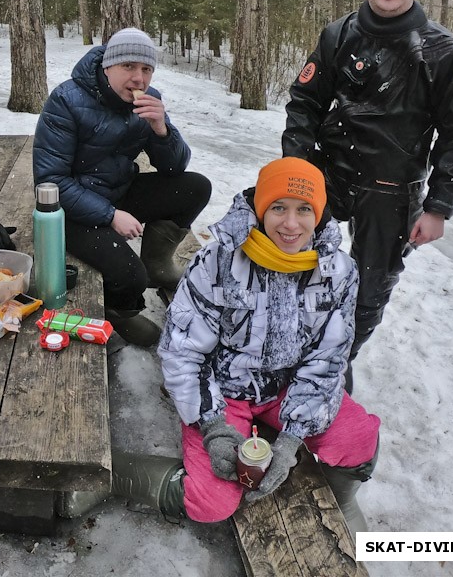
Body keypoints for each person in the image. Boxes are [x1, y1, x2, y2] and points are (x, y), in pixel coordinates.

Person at [62, 159, 377, 534]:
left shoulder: (338, 270)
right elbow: (182, 350)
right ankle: (111, 474)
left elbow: (327, 358)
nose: (291, 224)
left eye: (304, 209)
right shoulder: (219, 260)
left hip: (287, 389)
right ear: (261, 210)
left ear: (319, 213)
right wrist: (212, 425)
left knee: (360, 437)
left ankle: (342, 501)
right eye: (278, 208)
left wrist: (292, 438)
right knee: (212, 503)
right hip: (224, 392)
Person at [282, 0, 453, 385]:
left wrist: (438, 207)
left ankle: (337, 360)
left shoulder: (442, 51)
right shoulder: (339, 34)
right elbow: (305, 101)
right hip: (329, 174)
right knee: (293, 258)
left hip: (393, 187)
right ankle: (290, 344)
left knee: (371, 284)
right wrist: (295, 166)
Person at [32, 27, 212, 347]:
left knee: (196, 187)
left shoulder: (148, 100)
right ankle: (121, 311)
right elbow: (51, 182)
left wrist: (161, 129)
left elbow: (174, 167)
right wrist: (111, 215)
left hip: (119, 189)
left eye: (146, 69)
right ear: (108, 66)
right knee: (130, 277)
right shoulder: (66, 100)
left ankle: (158, 264)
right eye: (128, 67)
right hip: (71, 211)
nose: (138, 79)